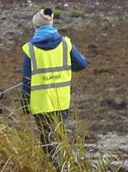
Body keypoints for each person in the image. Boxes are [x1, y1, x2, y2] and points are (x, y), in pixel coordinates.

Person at [20, 9, 88, 154]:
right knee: (59, 136)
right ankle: (62, 168)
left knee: (46, 139)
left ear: (35, 27)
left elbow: (26, 81)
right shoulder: (65, 44)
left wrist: (25, 105)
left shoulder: (30, 49)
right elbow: (81, 64)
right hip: (61, 101)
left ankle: (53, 169)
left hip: (40, 103)